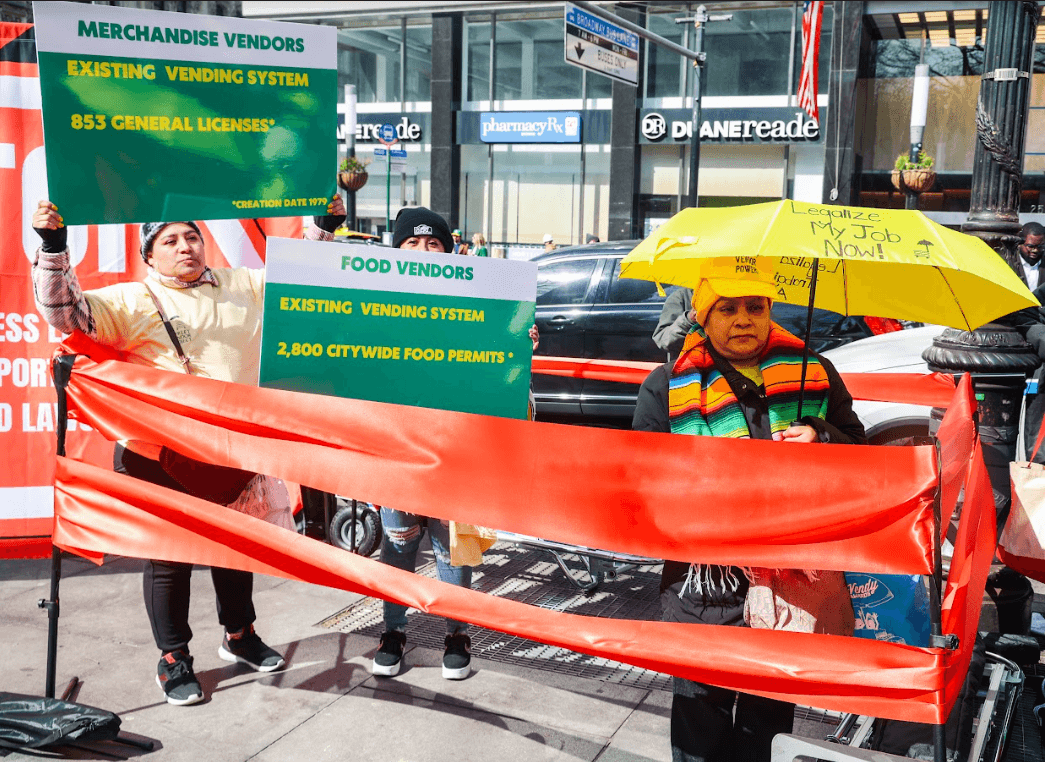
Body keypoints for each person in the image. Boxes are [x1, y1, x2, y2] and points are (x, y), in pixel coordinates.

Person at [31, 194, 347, 706]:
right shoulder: (132, 300)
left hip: (230, 453)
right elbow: (65, 315)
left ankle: (239, 635)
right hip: (158, 458)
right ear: (149, 255)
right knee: (169, 562)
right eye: (170, 240)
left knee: (235, 546)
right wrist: (53, 248)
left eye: (193, 236)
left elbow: (302, 281)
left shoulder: (242, 284)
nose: (186, 247)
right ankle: (173, 658)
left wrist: (324, 227)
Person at [632, 257, 866, 762]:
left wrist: (819, 436)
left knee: (769, 720)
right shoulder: (666, 384)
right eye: (728, 309)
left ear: (770, 310)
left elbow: (860, 452)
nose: (743, 320)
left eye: (755, 307)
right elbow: (642, 478)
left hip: (791, 581)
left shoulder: (815, 373)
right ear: (703, 316)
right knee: (700, 715)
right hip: (704, 585)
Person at [371, 206, 475, 681]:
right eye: (410, 245)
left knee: (453, 546)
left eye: (433, 244)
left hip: (457, 449)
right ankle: (393, 630)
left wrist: (518, 342)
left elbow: (496, 375)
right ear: (394, 253)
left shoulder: (476, 307)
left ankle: (457, 633)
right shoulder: (374, 308)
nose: (422, 253)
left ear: (450, 254)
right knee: (398, 542)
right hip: (396, 450)